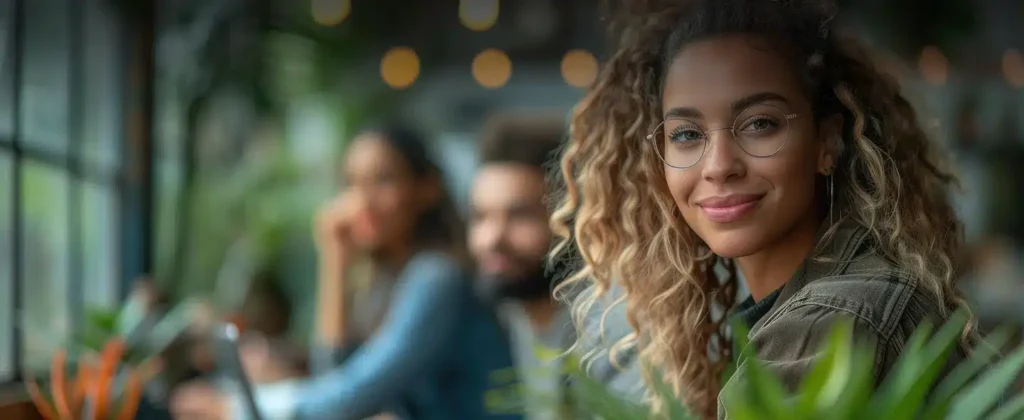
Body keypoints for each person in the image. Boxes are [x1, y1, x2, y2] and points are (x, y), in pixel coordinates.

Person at [548, 0, 972, 418]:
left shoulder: (828, 323)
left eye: (759, 124)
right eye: (687, 134)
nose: (719, 167)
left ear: (826, 142)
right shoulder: (826, 295)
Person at [178, 124, 522, 420]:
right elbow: (337, 379)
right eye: (353, 183)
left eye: (383, 180)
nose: (363, 201)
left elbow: (348, 399)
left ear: (426, 189)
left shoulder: (438, 278)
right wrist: (335, 260)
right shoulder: (387, 278)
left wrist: (234, 408)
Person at [468, 113, 581, 419]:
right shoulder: (507, 317)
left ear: (570, 219)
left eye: (519, 216)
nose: (492, 239)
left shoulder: (607, 328)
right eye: (480, 217)